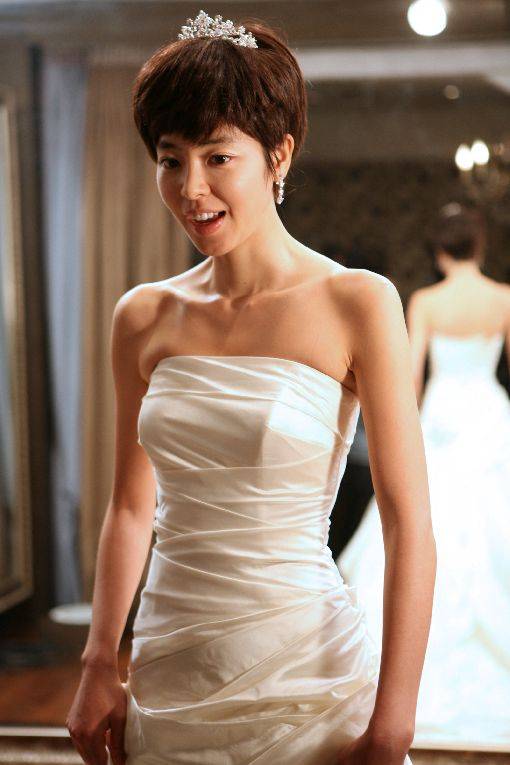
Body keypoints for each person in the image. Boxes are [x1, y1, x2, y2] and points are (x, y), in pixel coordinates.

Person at [66, 10, 435, 764]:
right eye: (170, 159)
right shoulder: (143, 316)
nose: (191, 188)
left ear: (279, 154)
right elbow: (131, 507)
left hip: (306, 680)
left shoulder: (358, 302)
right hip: (170, 672)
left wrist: (395, 720)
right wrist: (100, 659)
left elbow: (408, 523)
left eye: (217, 156)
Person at [337, 202, 510, 748]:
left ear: (438, 250)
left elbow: (409, 378)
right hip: (489, 414)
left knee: (424, 520)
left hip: (442, 415)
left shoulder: (427, 301)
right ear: (479, 245)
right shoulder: (503, 298)